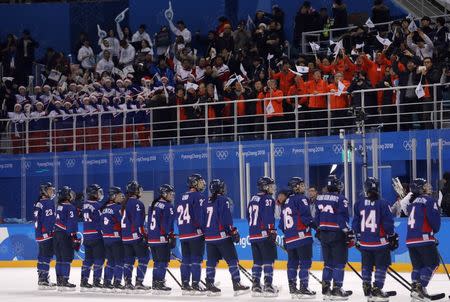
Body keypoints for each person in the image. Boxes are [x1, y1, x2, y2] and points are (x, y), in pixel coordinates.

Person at [352, 177, 399, 301]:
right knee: (381, 266)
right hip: (380, 243)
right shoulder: (383, 203)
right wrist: (392, 235)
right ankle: (377, 288)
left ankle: (366, 286)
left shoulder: (358, 203)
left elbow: (356, 224)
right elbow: (388, 223)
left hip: (365, 243)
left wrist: (358, 237)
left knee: (366, 266)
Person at [202, 179, 250, 296]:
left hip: (209, 237)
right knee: (232, 260)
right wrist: (232, 231)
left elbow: (202, 219)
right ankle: (236, 283)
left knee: (211, 261)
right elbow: (226, 219)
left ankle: (209, 283)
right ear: (220, 189)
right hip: (222, 237)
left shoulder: (205, 201)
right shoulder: (224, 200)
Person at [401, 178, 441, 301]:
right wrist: (432, 234)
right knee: (433, 263)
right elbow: (435, 222)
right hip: (424, 238)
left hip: (410, 240)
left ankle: (415, 290)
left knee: (417, 266)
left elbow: (405, 207)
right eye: (424, 186)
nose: (428, 188)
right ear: (419, 188)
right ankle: (420, 288)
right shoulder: (429, 200)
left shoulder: (412, 204)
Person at [315, 175, 353, 300]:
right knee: (339, 263)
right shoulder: (341, 198)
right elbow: (342, 217)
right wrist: (347, 232)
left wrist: (318, 229)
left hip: (324, 234)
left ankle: (326, 289)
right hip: (337, 234)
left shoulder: (319, 198)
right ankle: (337, 289)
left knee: (328, 263)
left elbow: (317, 218)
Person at [279, 177, 316, 299]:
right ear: (295, 187)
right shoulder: (302, 199)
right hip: (302, 237)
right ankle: (304, 288)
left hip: (290, 238)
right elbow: (306, 218)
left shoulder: (285, 203)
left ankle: (293, 288)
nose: (303, 187)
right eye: (300, 185)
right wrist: (318, 227)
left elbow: (281, 224)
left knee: (292, 263)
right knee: (305, 262)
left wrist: (287, 236)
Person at [247, 176, 278, 297]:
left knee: (257, 261)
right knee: (268, 261)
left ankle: (255, 285)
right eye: (270, 186)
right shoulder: (268, 199)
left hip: (253, 235)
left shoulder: (253, 199)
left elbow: (248, 217)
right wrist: (271, 231)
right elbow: (268, 217)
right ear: (265, 187)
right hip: (264, 234)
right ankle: (268, 286)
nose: (272, 188)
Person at [176, 174, 207, 295]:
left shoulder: (181, 196)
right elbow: (199, 216)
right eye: (199, 182)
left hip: (183, 234)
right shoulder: (198, 196)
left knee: (186, 260)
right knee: (196, 260)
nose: (202, 184)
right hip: (195, 233)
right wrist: (203, 229)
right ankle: (195, 283)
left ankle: (185, 284)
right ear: (194, 183)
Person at [121, 180, 151, 292]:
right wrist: (144, 235)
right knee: (144, 258)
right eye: (138, 189)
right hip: (135, 236)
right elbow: (139, 223)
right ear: (135, 191)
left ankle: (128, 282)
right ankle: (139, 282)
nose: (140, 191)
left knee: (128, 260)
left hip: (125, 237)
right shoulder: (138, 204)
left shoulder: (124, 203)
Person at [147, 184, 176, 295]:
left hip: (152, 239)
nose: (172, 196)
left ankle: (155, 282)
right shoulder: (168, 206)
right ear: (164, 194)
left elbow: (149, 222)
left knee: (156, 262)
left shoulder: (152, 205)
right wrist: (170, 235)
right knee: (163, 262)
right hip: (161, 239)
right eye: (170, 194)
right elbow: (166, 224)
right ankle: (159, 283)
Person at [80, 184, 105, 291]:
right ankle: (96, 281)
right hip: (96, 236)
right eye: (98, 192)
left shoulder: (85, 204)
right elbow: (101, 222)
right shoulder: (97, 206)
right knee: (99, 259)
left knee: (88, 260)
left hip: (86, 236)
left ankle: (84, 281)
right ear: (93, 194)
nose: (100, 194)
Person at [54, 186, 79, 291]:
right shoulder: (70, 207)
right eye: (70, 193)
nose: (72, 195)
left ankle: (59, 280)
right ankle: (65, 280)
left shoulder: (59, 206)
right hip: (65, 235)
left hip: (56, 235)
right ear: (66, 195)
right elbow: (71, 223)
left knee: (59, 259)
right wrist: (74, 236)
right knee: (67, 259)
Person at [100, 186, 125, 291]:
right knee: (119, 261)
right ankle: (117, 281)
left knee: (110, 261)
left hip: (106, 239)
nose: (122, 197)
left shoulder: (104, 208)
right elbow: (122, 222)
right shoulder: (117, 208)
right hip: (116, 239)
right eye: (119, 195)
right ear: (114, 196)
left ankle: (107, 281)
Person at [34, 182, 56, 290]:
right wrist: (51, 231)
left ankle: (41, 278)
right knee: (47, 257)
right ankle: (44, 280)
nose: (52, 191)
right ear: (44, 191)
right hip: (46, 234)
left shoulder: (39, 203)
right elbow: (49, 220)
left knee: (42, 256)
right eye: (50, 190)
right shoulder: (48, 202)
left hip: (39, 235)